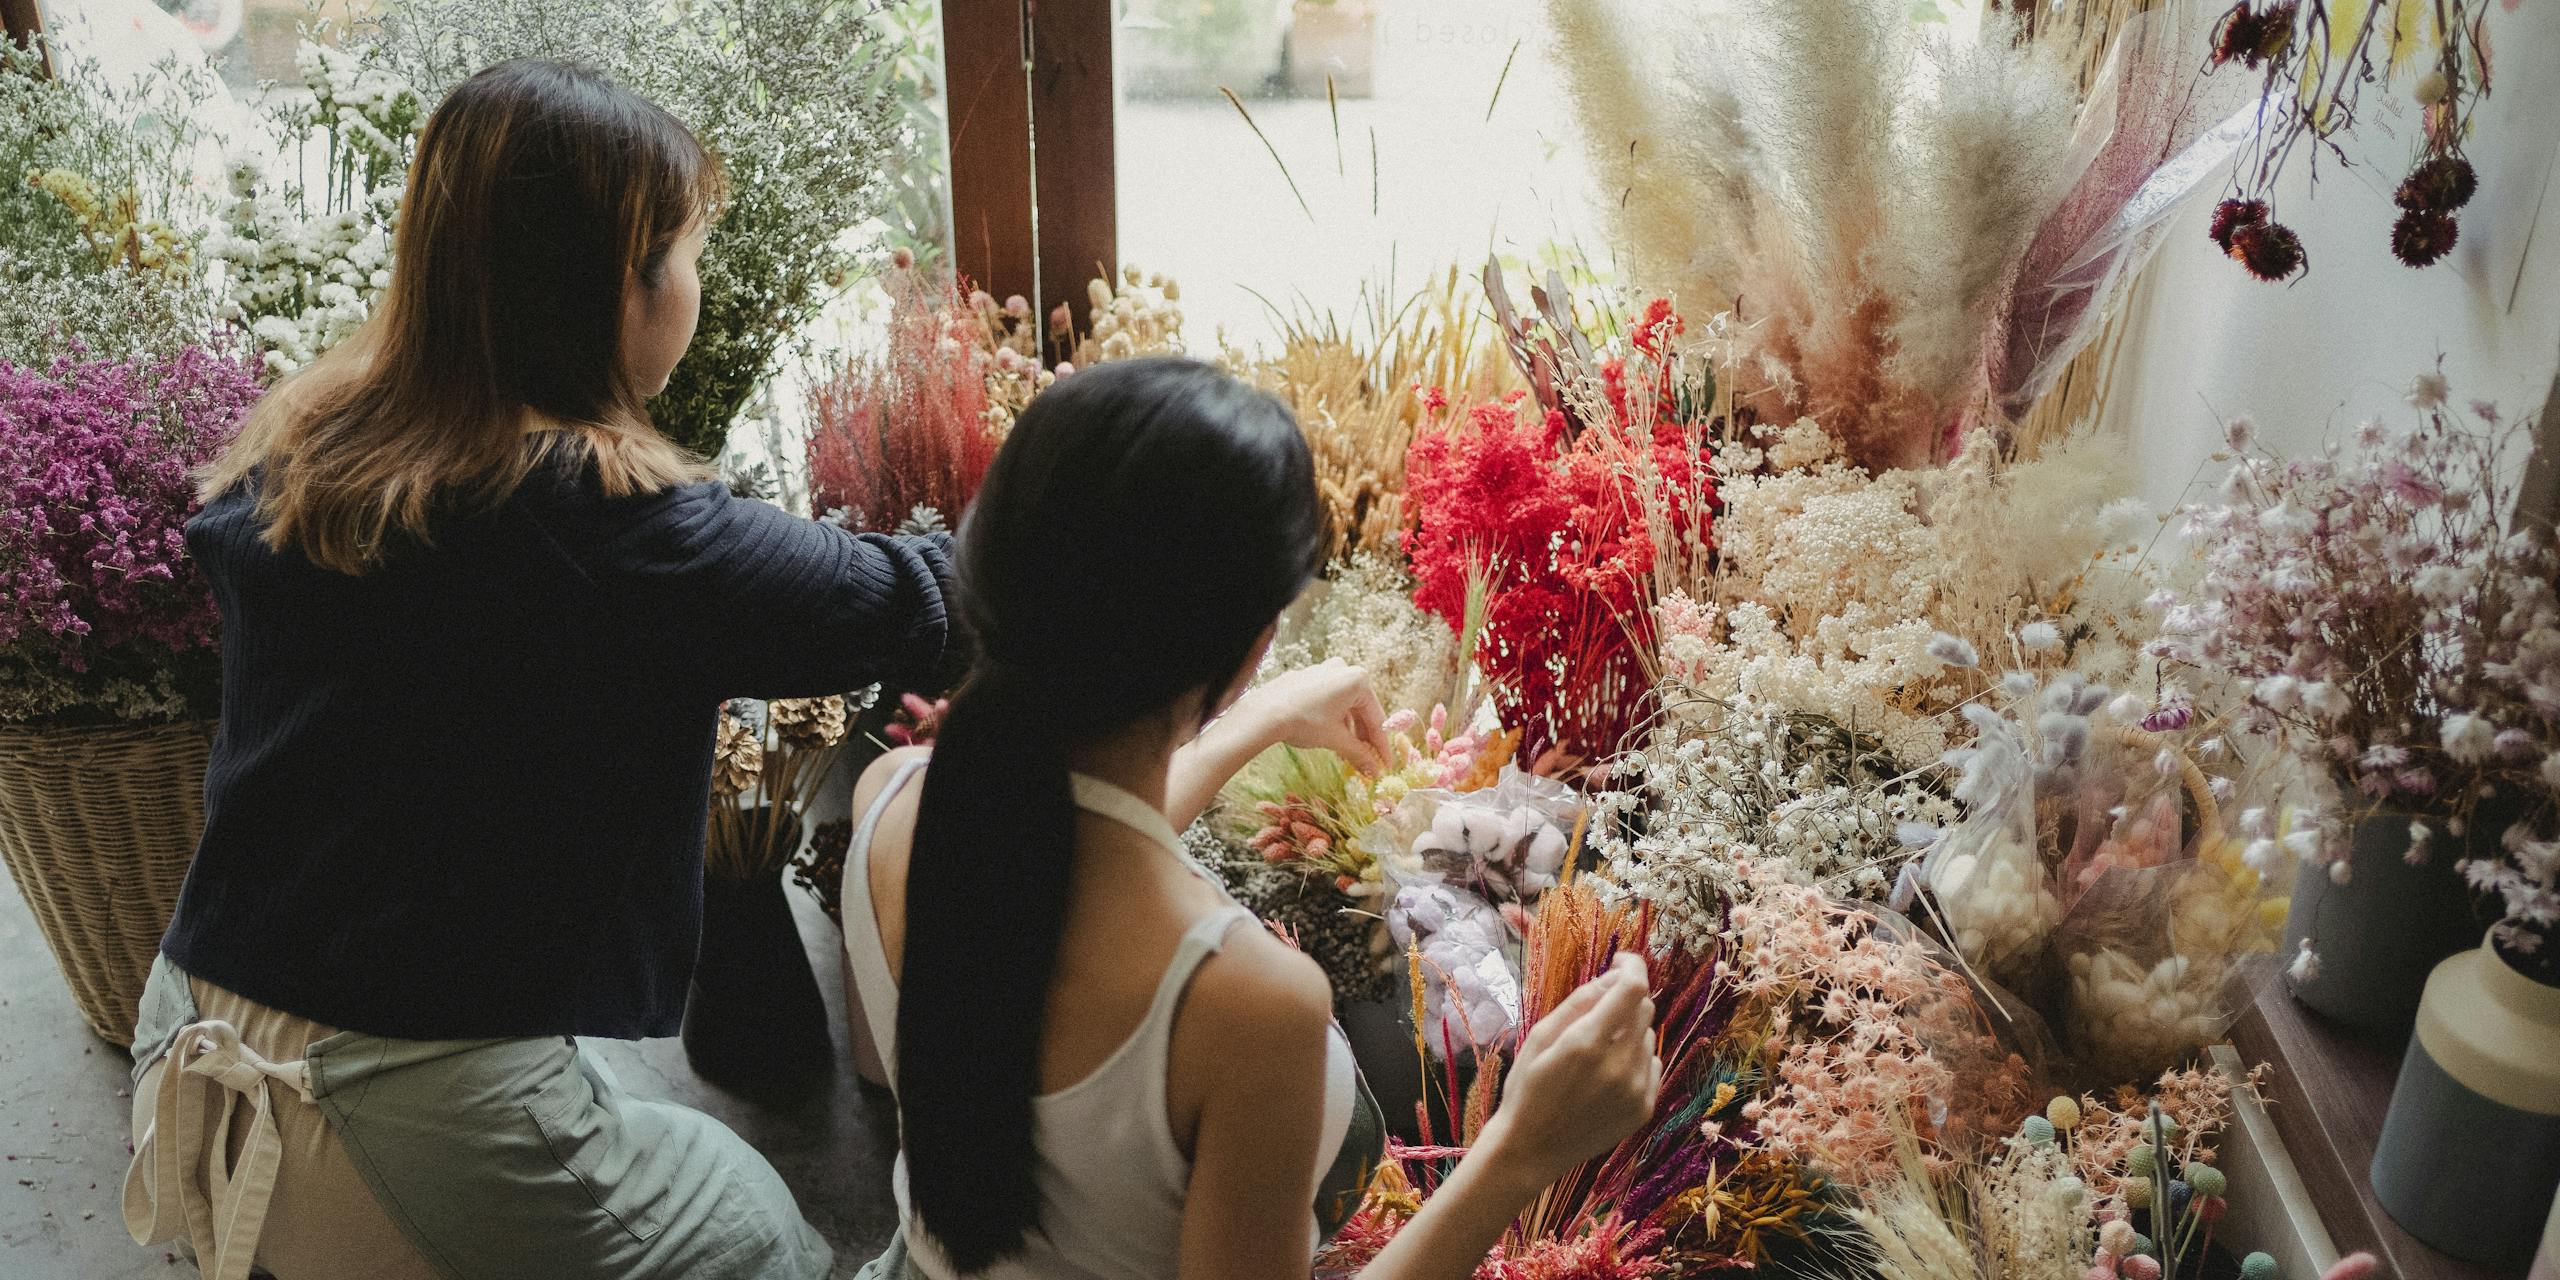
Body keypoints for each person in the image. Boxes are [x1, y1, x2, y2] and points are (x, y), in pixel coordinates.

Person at [121, 58, 949, 1280]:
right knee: (758, 1225)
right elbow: (914, 597)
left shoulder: (311, 447)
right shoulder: (612, 525)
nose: (695, 282)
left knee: (607, 1099)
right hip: (384, 1119)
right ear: (621, 285)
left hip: (190, 1038)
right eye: (684, 249)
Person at [841, 356, 1663, 1280]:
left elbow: (1063, 851)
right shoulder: (1245, 1005)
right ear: (1253, 644)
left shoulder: (899, 802)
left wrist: (1255, 719)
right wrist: (1520, 1149)